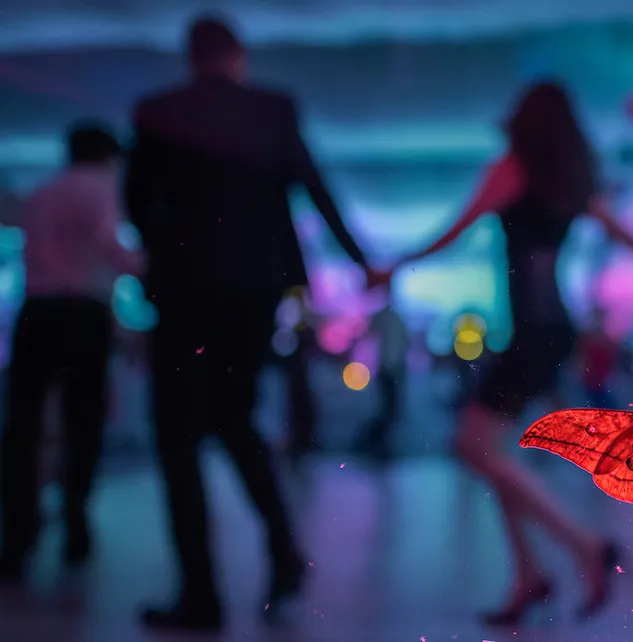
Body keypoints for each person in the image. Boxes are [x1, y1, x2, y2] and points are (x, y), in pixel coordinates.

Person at [383, 81, 633, 625]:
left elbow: (454, 231)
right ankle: (529, 574)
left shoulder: (511, 170)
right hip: (555, 328)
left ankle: (585, 547)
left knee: (475, 447)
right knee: (491, 453)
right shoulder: (571, 181)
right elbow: (630, 237)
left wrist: (390, 265)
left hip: (533, 332)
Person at [125, 15, 377, 632]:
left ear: (190, 56)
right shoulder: (273, 108)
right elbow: (313, 186)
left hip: (187, 290)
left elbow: (136, 201)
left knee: (177, 435)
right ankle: (285, 549)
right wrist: (362, 260)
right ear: (237, 56)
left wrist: (165, 250)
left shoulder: (158, 110)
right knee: (236, 417)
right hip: (255, 289)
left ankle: (202, 594)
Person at [0, 124, 145, 580]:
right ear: (109, 156)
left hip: (36, 312)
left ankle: (18, 533)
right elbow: (109, 246)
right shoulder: (102, 189)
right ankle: (76, 523)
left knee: (23, 426)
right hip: (83, 314)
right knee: (84, 422)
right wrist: (159, 273)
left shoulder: (41, 193)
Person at [353, 290, 409, 460]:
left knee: (390, 410)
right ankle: (373, 444)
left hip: (390, 368)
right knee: (389, 410)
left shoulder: (388, 318)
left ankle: (374, 444)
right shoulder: (392, 318)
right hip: (389, 369)